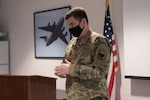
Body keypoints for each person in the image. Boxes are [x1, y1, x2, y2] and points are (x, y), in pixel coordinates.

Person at [55, 7, 112, 100]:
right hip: (73, 96)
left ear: (83, 22)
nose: (71, 28)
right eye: (69, 25)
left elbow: (100, 71)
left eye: (73, 24)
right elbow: (66, 64)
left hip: (93, 97)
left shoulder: (99, 41)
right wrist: (62, 70)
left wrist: (71, 70)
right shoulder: (72, 43)